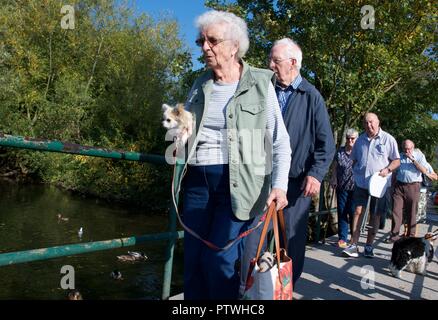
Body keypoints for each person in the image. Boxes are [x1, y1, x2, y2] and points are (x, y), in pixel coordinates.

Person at [172, 10, 291, 300]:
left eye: (212, 40)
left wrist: (280, 186)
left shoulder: (261, 83)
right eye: (201, 40)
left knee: (221, 262)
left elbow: (280, 142)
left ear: (234, 45)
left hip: (239, 186)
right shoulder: (200, 83)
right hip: (198, 183)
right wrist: (178, 134)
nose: (205, 47)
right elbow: (185, 127)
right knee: (194, 262)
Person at [241, 37, 335, 290]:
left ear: (293, 63)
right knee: (252, 241)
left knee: (289, 243)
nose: (270, 64)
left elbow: (326, 144)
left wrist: (315, 175)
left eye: (276, 60)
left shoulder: (311, 96)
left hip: (295, 185)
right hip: (259, 180)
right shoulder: (263, 89)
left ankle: (284, 290)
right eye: (270, 59)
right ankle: (247, 291)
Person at [342, 113, 400, 258]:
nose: (369, 125)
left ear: (378, 122)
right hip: (361, 183)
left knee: (375, 214)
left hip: (379, 185)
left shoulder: (388, 139)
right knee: (357, 211)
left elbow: (396, 160)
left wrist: (387, 169)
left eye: (371, 122)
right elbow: (353, 160)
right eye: (366, 123)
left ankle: (368, 245)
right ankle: (354, 245)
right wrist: (356, 173)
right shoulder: (360, 140)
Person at [387, 139, 437, 241]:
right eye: (405, 149)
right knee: (396, 211)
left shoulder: (419, 156)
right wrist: (391, 185)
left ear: (413, 148)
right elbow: (394, 172)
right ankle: (394, 236)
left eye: (409, 149)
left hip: (413, 186)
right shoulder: (399, 156)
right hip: (399, 186)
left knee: (411, 212)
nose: (407, 151)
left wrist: (413, 160)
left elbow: (424, 171)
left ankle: (410, 236)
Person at [330, 128, 359, 248]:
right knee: (342, 211)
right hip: (342, 186)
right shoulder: (340, 151)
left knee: (353, 212)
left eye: (352, 138)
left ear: (356, 139)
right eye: (348, 138)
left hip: (356, 187)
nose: (350, 140)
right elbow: (335, 166)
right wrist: (333, 178)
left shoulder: (359, 152)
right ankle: (342, 238)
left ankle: (353, 237)